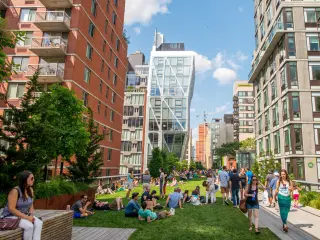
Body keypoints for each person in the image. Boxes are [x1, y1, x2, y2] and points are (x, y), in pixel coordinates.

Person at [1, 171, 43, 240]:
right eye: (32, 178)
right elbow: (11, 209)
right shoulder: (15, 191)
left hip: (24, 215)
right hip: (10, 216)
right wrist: (27, 217)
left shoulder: (30, 190)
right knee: (29, 226)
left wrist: (31, 216)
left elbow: (31, 205)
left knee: (39, 223)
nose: (34, 180)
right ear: (25, 179)